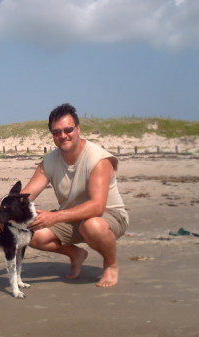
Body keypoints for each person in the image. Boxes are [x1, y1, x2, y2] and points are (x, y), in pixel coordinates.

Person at [22, 103, 129, 287]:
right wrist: (1, 207)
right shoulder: (49, 161)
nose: (63, 136)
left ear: (78, 129)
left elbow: (97, 206)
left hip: (108, 216)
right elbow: (24, 196)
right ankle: (76, 254)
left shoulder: (99, 159)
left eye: (68, 129)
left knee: (92, 225)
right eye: (56, 132)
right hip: (71, 217)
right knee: (30, 233)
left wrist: (55, 216)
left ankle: (111, 264)